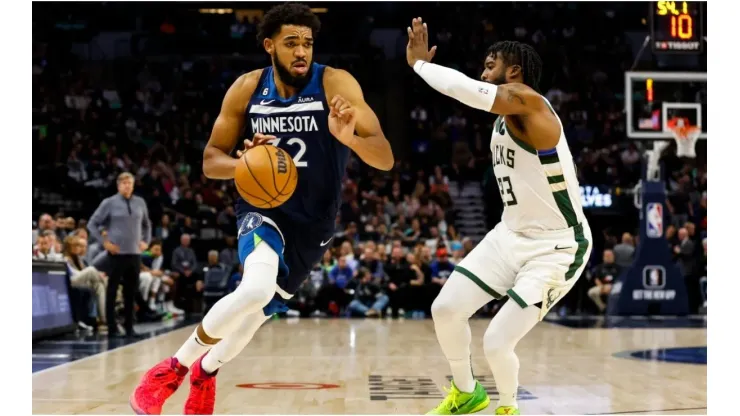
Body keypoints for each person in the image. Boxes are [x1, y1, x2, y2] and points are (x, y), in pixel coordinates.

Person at [130, 4, 393, 415]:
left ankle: (206, 371)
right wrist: (246, 164)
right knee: (253, 289)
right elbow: (210, 160)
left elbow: (385, 157)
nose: (301, 51)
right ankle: (170, 371)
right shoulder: (247, 89)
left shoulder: (335, 84)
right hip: (262, 209)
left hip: (315, 221)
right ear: (270, 46)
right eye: (291, 43)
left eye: (307, 42)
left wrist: (351, 138)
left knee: (255, 316)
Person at [407, 19, 592, 415]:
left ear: (514, 72)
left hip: (557, 246)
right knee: (445, 310)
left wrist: (421, 65)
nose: (483, 72)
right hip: (509, 235)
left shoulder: (531, 103)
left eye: (490, 65)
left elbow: (469, 92)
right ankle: (467, 392)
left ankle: (508, 407)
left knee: (496, 341)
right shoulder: (504, 120)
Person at [88, 172, 152, 338]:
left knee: (131, 292)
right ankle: (112, 328)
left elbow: (147, 224)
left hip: (135, 254)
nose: (127, 185)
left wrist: (146, 241)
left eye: (129, 183)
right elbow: (92, 224)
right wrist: (105, 243)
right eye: (123, 183)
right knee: (112, 290)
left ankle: (130, 327)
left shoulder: (140, 202)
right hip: (116, 254)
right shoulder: (109, 203)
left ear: (133, 185)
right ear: (118, 185)